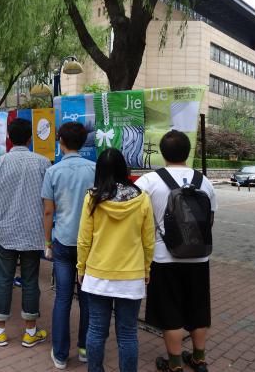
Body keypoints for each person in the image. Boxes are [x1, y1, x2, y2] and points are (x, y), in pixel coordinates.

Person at [135, 130, 216, 372]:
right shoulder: (204, 182)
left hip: (164, 258)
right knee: (199, 309)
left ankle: (175, 363)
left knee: (170, 311)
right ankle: (199, 359)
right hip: (199, 257)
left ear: (162, 153)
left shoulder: (149, 181)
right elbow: (209, 221)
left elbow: (135, 218)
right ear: (188, 152)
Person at [77, 148, 155, 372]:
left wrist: (81, 268)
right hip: (131, 276)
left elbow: (84, 240)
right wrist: (146, 268)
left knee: (96, 330)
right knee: (128, 334)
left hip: (97, 274)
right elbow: (148, 240)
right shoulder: (142, 199)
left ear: (99, 171)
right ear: (123, 169)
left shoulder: (92, 199)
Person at [0, 118, 51, 348]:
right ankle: (30, 331)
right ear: (30, 138)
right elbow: (48, 199)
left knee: (4, 279)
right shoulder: (43, 163)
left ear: (9, 138)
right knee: (30, 280)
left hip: (6, 230)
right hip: (33, 231)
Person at [41, 122, 95, 369]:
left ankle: (61, 354)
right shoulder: (95, 169)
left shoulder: (53, 171)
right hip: (90, 243)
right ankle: (85, 349)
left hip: (62, 240)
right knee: (87, 298)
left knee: (63, 298)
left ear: (60, 141)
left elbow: (48, 211)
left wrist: (47, 242)